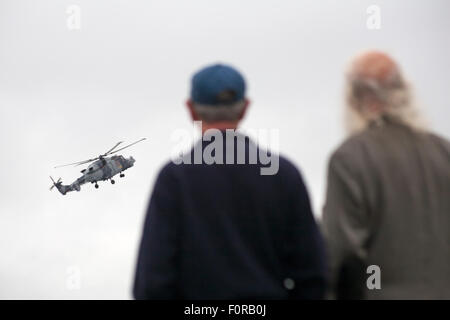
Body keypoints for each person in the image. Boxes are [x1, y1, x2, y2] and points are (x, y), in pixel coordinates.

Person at [133, 63, 327, 299]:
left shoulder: (174, 179)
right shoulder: (285, 175)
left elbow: (151, 283)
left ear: (191, 110)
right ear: (245, 108)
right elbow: (313, 276)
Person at [322, 50, 450, 299]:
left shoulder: (350, 158)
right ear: (404, 92)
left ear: (354, 98)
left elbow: (341, 249)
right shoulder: (444, 152)